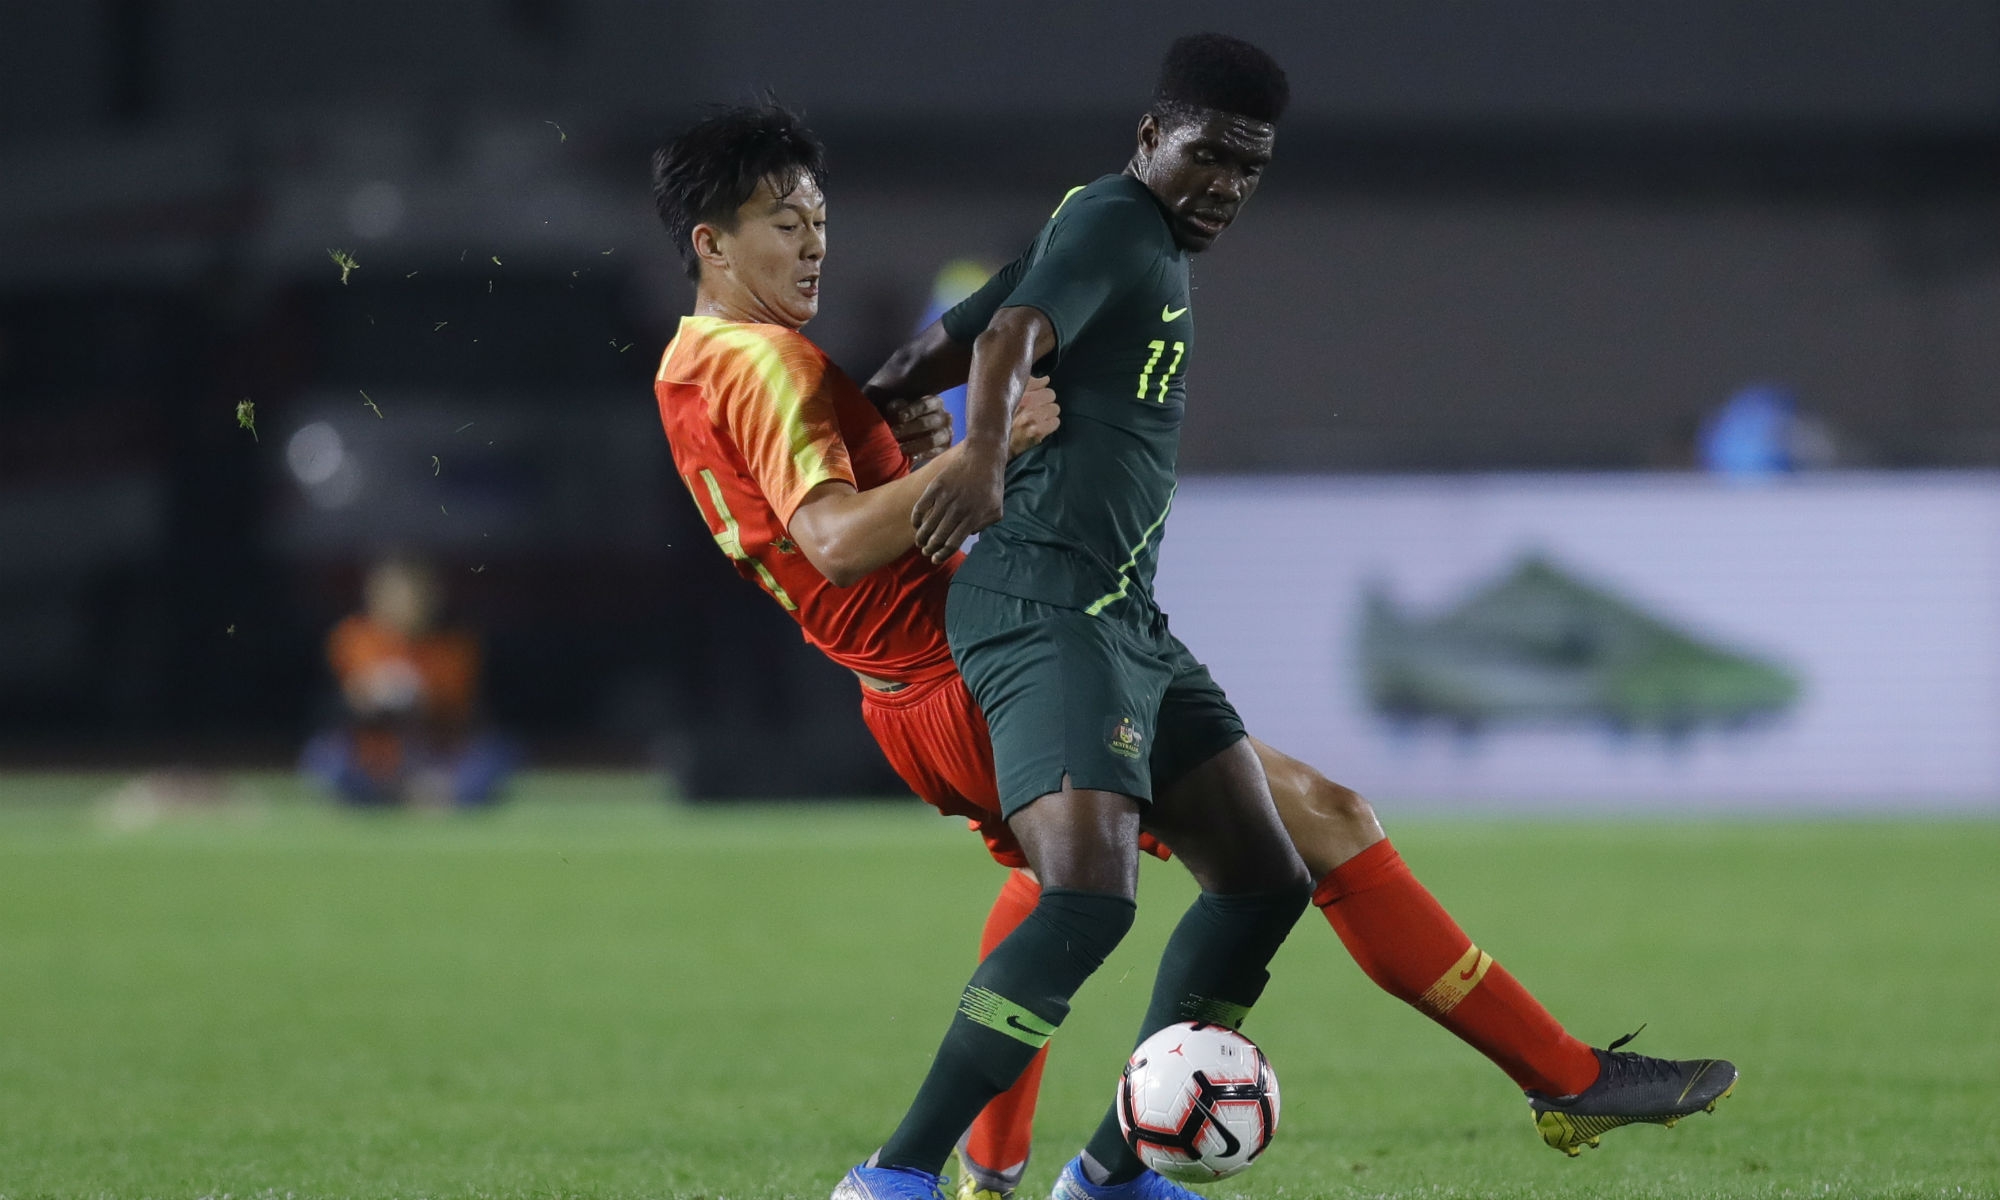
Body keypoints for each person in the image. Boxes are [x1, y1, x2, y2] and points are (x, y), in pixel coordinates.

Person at [647, 70, 1734, 1200]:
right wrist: (990, 445)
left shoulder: (694, 367)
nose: (812, 247)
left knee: (1268, 845)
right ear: (711, 242)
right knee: (1097, 890)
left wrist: (917, 428)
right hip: (979, 658)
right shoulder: (766, 362)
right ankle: (909, 1179)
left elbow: (836, 475)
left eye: (821, 220)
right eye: (785, 225)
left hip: (957, 660)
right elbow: (828, 538)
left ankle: (1036, 1169)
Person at [302, 557, 514, 808]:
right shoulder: (352, 639)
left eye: (413, 596)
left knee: (497, 755)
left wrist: (423, 699)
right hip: (375, 758)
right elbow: (330, 710)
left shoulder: (456, 647)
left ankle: (430, 795)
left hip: (437, 757)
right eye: (394, 595)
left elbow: (467, 715)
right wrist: (364, 699)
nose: (405, 605)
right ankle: (396, 796)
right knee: (325, 756)